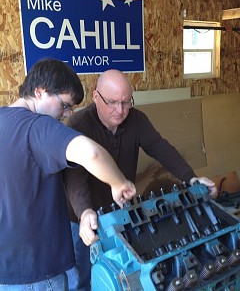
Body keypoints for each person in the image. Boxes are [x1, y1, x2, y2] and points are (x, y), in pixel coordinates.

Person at [64, 69, 218, 290]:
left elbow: (161, 149)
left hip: (118, 212)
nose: (120, 110)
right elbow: (74, 177)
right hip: (82, 217)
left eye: (126, 102)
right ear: (96, 97)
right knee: (83, 277)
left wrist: (191, 179)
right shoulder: (78, 125)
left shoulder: (136, 120)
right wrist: (84, 211)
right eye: (113, 102)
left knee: (122, 274)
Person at [0, 60, 136, 290]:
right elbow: (91, 153)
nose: (67, 114)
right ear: (40, 92)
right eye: (64, 105)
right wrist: (118, 182)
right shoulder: (39, 126)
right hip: (39, 273)